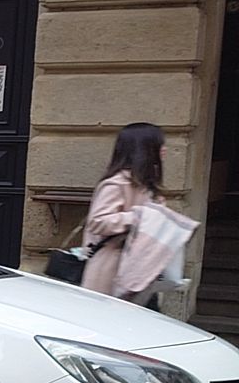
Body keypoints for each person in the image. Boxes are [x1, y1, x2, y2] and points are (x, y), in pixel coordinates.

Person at [82, 123, 196, 305]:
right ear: (145, 149)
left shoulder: (147, 185)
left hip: (140, 269)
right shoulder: (117, 184)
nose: (164, 150)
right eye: (160, 145)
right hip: (113, 269)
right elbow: (98, 221)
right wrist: (140, 217)